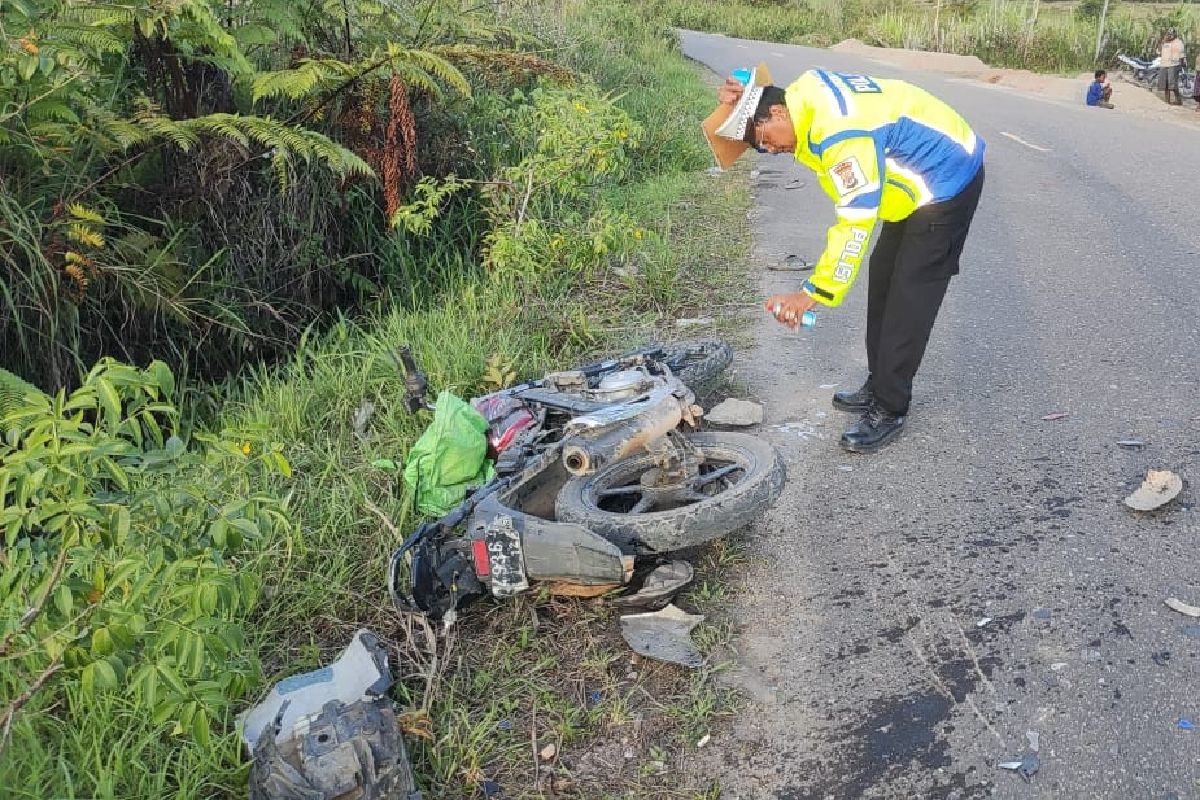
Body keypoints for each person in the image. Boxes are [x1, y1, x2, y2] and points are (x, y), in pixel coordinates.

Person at [702, 64, 984, 453]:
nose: (769, 149)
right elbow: (762, 87)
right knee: (884, 277)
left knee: (910, 294)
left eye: (764, 138)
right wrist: (743, 91)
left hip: (947, 179)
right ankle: (880, 381)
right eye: (760, 146)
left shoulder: (841, 135)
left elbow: (854, 226)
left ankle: (890, 406)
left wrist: (811, 293)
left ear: (779, 114)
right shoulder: (801, 93)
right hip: (914, 189)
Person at [1159, 28, 1185, 106]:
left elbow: (1182, 55)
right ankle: (1167, 101)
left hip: (1174, 65)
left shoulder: (1179, 42)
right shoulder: (1165, 42)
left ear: (1175, 34)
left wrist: (1181, 65)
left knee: (1173, 85)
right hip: (1164, 64)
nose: (1170, 35)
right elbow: (1159, 51)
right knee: (1165, 84)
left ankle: (1178, 100)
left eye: (1172, 34)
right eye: (1169, 34)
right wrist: (1163, 41)